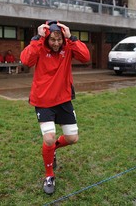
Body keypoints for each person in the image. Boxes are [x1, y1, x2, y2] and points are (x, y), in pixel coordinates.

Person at [20, 20, 90, 195]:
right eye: (53, 39)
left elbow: (86, 57)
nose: (56, 43)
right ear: (46, 37)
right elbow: (26, 60)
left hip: (64, 100)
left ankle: (52, 150)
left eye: (59, 39)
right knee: (49, 138)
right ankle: (49, 176)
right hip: (43, 100)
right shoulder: (39, 47)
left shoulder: (68, 46)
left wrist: (71, 37)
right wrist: (37, 38)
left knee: (72, 138)